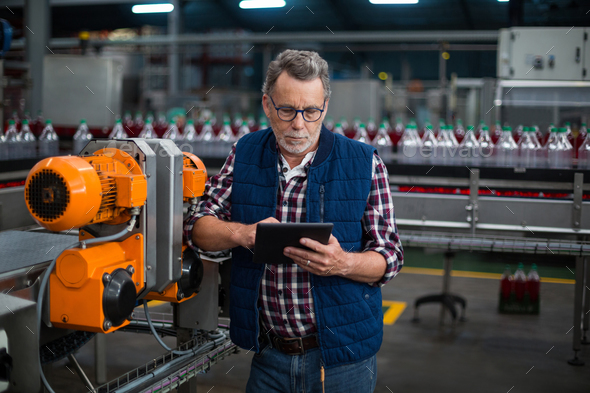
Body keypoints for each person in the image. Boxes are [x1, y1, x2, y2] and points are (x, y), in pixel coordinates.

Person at [184, 49, 403, 393]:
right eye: (286, 110)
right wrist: (244, 233)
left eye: (311, 111)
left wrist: (342, 263)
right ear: (267, 105)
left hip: (342, 359)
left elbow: (390, 258)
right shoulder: (244, 154)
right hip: (270, 357)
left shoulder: (364, 164)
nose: (299, 124)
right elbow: (198, 228)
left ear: (325, 107)